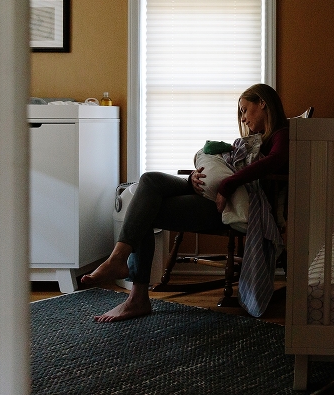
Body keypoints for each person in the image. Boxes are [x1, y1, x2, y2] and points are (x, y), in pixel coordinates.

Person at [81, 83, 289, 322]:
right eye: (241, 112)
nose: (243, 118)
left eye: (244, 109)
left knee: (144, 212)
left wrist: (226, 185)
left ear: (262, 103)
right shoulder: (257, 140)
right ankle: (120, 261)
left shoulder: (281, 135)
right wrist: (195, 178)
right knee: (149, 180)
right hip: (209, 193)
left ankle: (135, 294)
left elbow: (275, 161)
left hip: (225, 207)